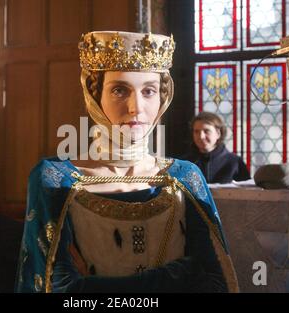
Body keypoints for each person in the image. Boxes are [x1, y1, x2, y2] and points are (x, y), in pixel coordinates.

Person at [15, 31, 238, 293]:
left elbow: (214, 282)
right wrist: (179, 273)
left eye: (149, 91)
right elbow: (55, 289)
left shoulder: (185, 176)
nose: (136, 107)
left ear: (162, 97)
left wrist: (91, 286)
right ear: (94, 95)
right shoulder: (53, 179)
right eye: (120, 90)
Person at [184, 111, 250, 184]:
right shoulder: (184, 163)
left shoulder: (235, 163)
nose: (201, 136)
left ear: (218, 133)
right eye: (196, 131)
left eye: (206, 131)